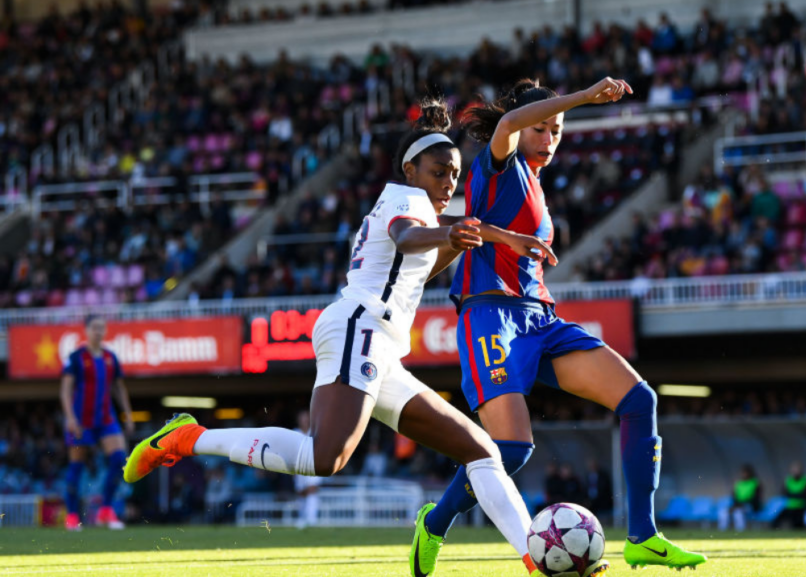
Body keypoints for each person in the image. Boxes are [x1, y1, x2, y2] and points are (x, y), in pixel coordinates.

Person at [122, 100, 565, 577]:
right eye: (439, 172)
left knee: (482, 451)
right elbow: (406, 237)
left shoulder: (416, 207)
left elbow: (419, 260)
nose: (448, 183)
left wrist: (480, 239)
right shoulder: (404, 199)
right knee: (323, 457)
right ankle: (189, 437)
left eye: (454, 175)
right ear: (410, 168)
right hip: (360, 327)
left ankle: (536, 559)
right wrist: (456, 233)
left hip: (378, 343)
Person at [412, 77, 706, 572]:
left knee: (639, 401)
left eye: (557, 131)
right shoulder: (498, 164)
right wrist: (587, 97)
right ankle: (434, 523)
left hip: (540, 318)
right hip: (490, 316)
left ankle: (643, 536)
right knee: (511, 449)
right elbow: (507, 123)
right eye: (542, 128)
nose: (549, 139)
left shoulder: (535, 182)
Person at [61, 315, 134, 531]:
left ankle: (106, 510)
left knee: (119, 458)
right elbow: (65, 389)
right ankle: (72, 515)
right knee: (77, 465)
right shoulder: (76, 357)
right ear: (86, 330)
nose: (98, 331)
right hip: (81, 420)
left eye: (101, 327)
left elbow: (119, 388)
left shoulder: (111, 358)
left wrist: (128, 413)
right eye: (94, 327)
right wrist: (70, 417)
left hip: (106, 418)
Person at [292, 410, 321, 529]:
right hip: (298, 468)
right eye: (302, 418)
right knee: (301, 494)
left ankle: (312, 519)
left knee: (312, 491)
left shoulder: (315, 432)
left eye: (306, 418)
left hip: (313, 467)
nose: (304, 421)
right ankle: (303, 519)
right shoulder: (294, 433)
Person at [719, 464, 761, 532]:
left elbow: (756, 499)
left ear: (750, 473)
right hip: (738, 505)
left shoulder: (755, 483)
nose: (744, 474)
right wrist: (735, 505)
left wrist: (742, 504)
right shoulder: (739, 484)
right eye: (743, 473)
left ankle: (740, 531)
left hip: (750, 506)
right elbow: (734, 497)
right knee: (723, 512)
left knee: (738, 512)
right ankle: (722, 531)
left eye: (745, 473)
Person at [773, 461, 806, 529]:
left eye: (797, 469)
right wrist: (797, 495)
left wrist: (792, 495)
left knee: (799, 524)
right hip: (790, 506)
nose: (795, 471)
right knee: (776, 520)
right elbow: (784, 493)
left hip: (801, 507)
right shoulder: (788, 480)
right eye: (794, 469)